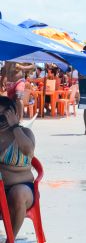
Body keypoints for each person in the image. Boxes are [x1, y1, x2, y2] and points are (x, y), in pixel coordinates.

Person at [0, 96, 35, 237]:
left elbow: (27, 150)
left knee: (18, 193)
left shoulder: (25, 133)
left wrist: (15, 126)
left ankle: (11, 239)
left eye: (4, 116)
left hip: (24, 189)